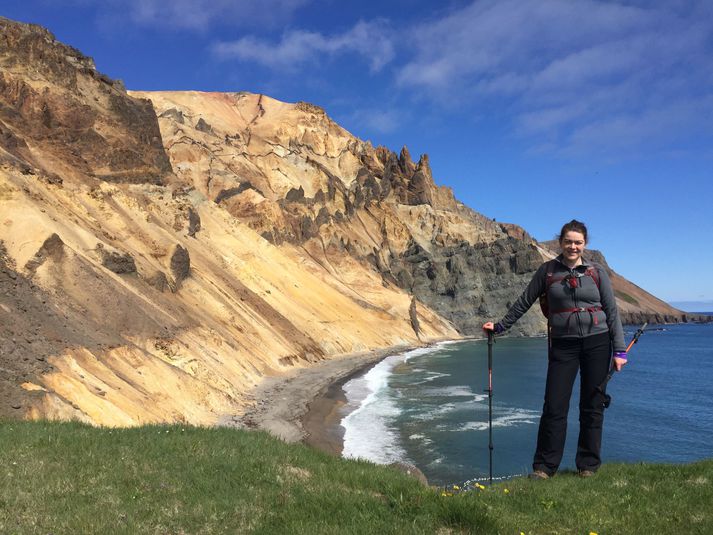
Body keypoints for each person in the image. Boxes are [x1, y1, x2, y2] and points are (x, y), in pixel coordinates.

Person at [483, 219, 627, 479]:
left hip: (597, 342)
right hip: (563, 345)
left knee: (592, 404)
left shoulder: (596, 272)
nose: (573, 246)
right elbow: (524, 301)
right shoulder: (548, 272)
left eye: (578, 242)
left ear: (585, 244)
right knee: (554, 405)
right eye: (568, 241)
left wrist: (619, 351)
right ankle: (545, 467)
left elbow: (612, 311)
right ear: (561, 242)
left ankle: (588, 465)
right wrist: (501, 326)